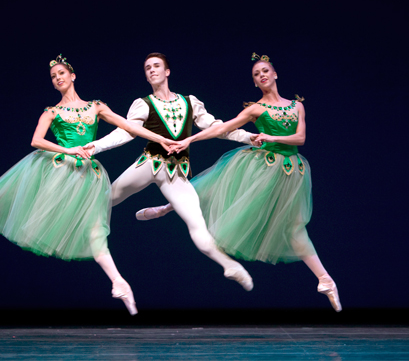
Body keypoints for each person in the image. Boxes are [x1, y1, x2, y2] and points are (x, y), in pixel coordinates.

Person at [0, 54, 175, 316]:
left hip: (87, 177)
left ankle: (119, 282)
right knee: (8, 189)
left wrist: (161, 139)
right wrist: (69, 150)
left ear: (73, 76)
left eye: (61, 74)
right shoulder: (52, 112)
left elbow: (129, 126)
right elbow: (36, 140)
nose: (58, 78)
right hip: (58, 168)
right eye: (53, 77)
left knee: (95, 231)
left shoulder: (96, 106)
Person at [138, 53, 342, 312]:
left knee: (294, 228)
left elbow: (300, 138)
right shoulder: (256, 108)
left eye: (266, 71)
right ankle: (166, 207)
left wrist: (270, 135)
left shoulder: (296, 106)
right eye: (257, 75)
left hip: (291, 171)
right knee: (214, 183)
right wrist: (190, 140)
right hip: (261, 165)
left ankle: (325, 280)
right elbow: (222, 128)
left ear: (275, 74)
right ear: (255, 83)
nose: (262, 76)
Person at [82, 53, 260, 292]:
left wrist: (248, 137)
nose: (152, 70)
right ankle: (79, 224)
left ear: (167, 71)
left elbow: (218, 128)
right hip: (148, 165)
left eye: (156, 66)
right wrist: (97, 146)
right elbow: (125, 131)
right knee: (106, 199)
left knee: (197, 223)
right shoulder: (143, 103)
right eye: (147, 68)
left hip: (175, 172)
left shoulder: (189, 102)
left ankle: (229, 265)